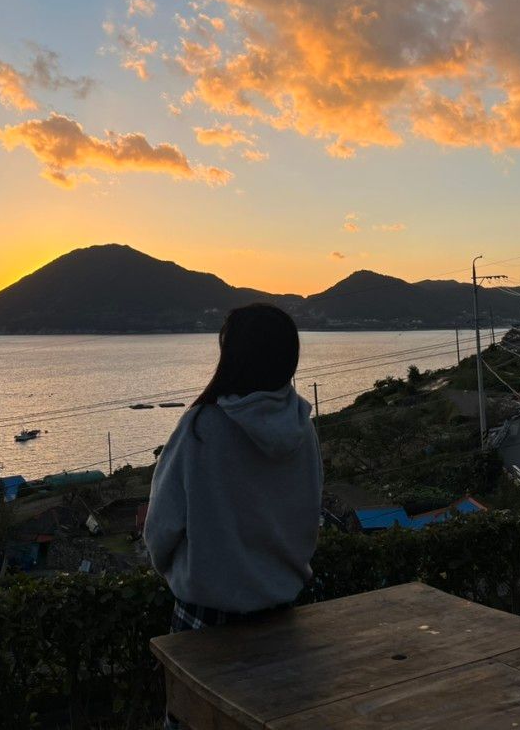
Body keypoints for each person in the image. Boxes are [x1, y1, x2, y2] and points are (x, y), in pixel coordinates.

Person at [144, 303, 323, 728]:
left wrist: (175, 571)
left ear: (232, 357)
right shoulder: (303, 428)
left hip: (206, 619)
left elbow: (160, 531)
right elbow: (309, 513)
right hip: (286, 611)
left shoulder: (202, 427)